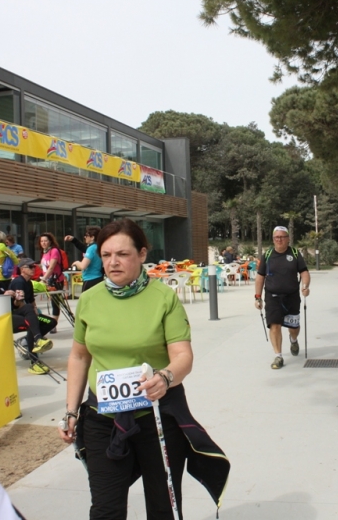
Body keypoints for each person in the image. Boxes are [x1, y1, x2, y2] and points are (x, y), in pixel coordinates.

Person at [59, 219, 229, 519]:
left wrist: (165, 377)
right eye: (106, 254)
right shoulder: (88, 299)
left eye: (122, 254)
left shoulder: (163, 297)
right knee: (105, 509)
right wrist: (71, 410)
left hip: (158, 417)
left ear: (141, 254)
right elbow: (79, 357)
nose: (113, 262)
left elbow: (182, 356)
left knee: (163, 508)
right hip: (103, 419)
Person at [0, 257, 54, 374]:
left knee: (29, 310)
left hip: (7, 314)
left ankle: (38, 339)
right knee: (30, 321)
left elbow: (13, 305)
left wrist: (16, 300)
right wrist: (2, 296)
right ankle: (34, 361)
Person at [254, 226, 310, 369]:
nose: (279, 240)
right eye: (276, 237)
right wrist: (258, 297)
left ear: (288, 239)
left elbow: (304, 272)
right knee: (275, 325)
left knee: (294, 327)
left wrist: (305, 285)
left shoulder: (295, 254)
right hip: (272, 297)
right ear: (273, 239)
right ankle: (278, 356)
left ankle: (293, 339)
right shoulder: (267, 255)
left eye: (282, 237)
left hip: (292, 297)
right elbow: (260, 277)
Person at [9, 258, 57, 356]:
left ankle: (27, 340)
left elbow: (32, 301)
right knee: (32, 322)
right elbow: (19, 304)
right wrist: (32, 313)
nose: (33, 269)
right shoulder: (19, 282)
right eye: (30, 267)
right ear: (22, 269)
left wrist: (35, 311)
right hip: (16, 314)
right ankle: (33, 354)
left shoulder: (29, 282)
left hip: (27, 312)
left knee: (52, 322)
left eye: (34, 266)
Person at [39, 232, 64, 328]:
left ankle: (54, 325)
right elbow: (43, 267)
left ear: (50, 241)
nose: (43, 243)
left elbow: (51, 267)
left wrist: (43, 279)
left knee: (55, 303)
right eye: (41, 241)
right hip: (47, 280)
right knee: (51, 301)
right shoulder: (44, 252)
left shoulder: (54, 251)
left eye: (45, 241)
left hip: (56, 280)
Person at [69, 226, 102, 292]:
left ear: (92, 237)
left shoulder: (91, 248)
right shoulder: (98, 247)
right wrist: (73, 240)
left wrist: (77, 262)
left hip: (90, 279)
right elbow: (83, 248)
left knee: (86, 302)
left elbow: (83, 266)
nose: (84, 237)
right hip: (99, 278)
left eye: (86, 235)